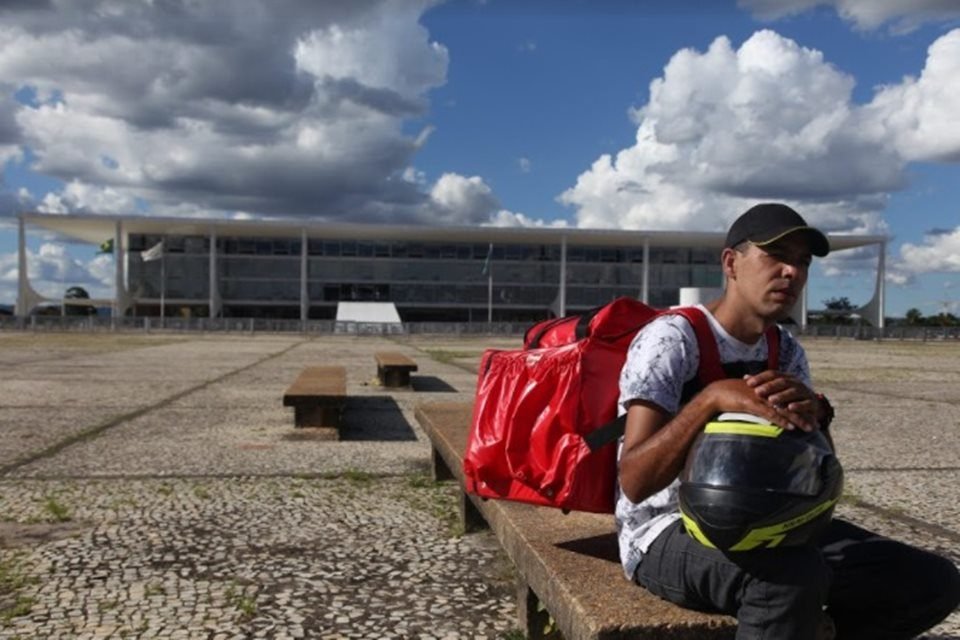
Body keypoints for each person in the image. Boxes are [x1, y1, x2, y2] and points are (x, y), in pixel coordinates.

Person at [616, 202, 960, 639]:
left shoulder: (787, 350)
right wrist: (709, 400)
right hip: (665, 530)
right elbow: (634, 481)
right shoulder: (672, 339)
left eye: (802, 262)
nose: (792, 272)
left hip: (767, 520)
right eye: (775, 256)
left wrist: (817, 417)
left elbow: (817, 474)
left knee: (932, 581)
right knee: (788, 579)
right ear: (731, 263)